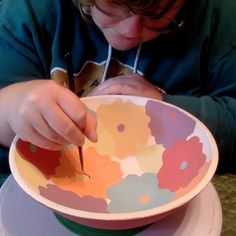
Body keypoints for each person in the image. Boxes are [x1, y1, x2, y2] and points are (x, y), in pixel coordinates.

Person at [0, 0, 235, 174]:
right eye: (112, 4)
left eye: (158, 13)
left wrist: (167, 108)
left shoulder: (219, 17)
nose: (130, 31)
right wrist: (11, 106)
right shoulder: (28, 12)